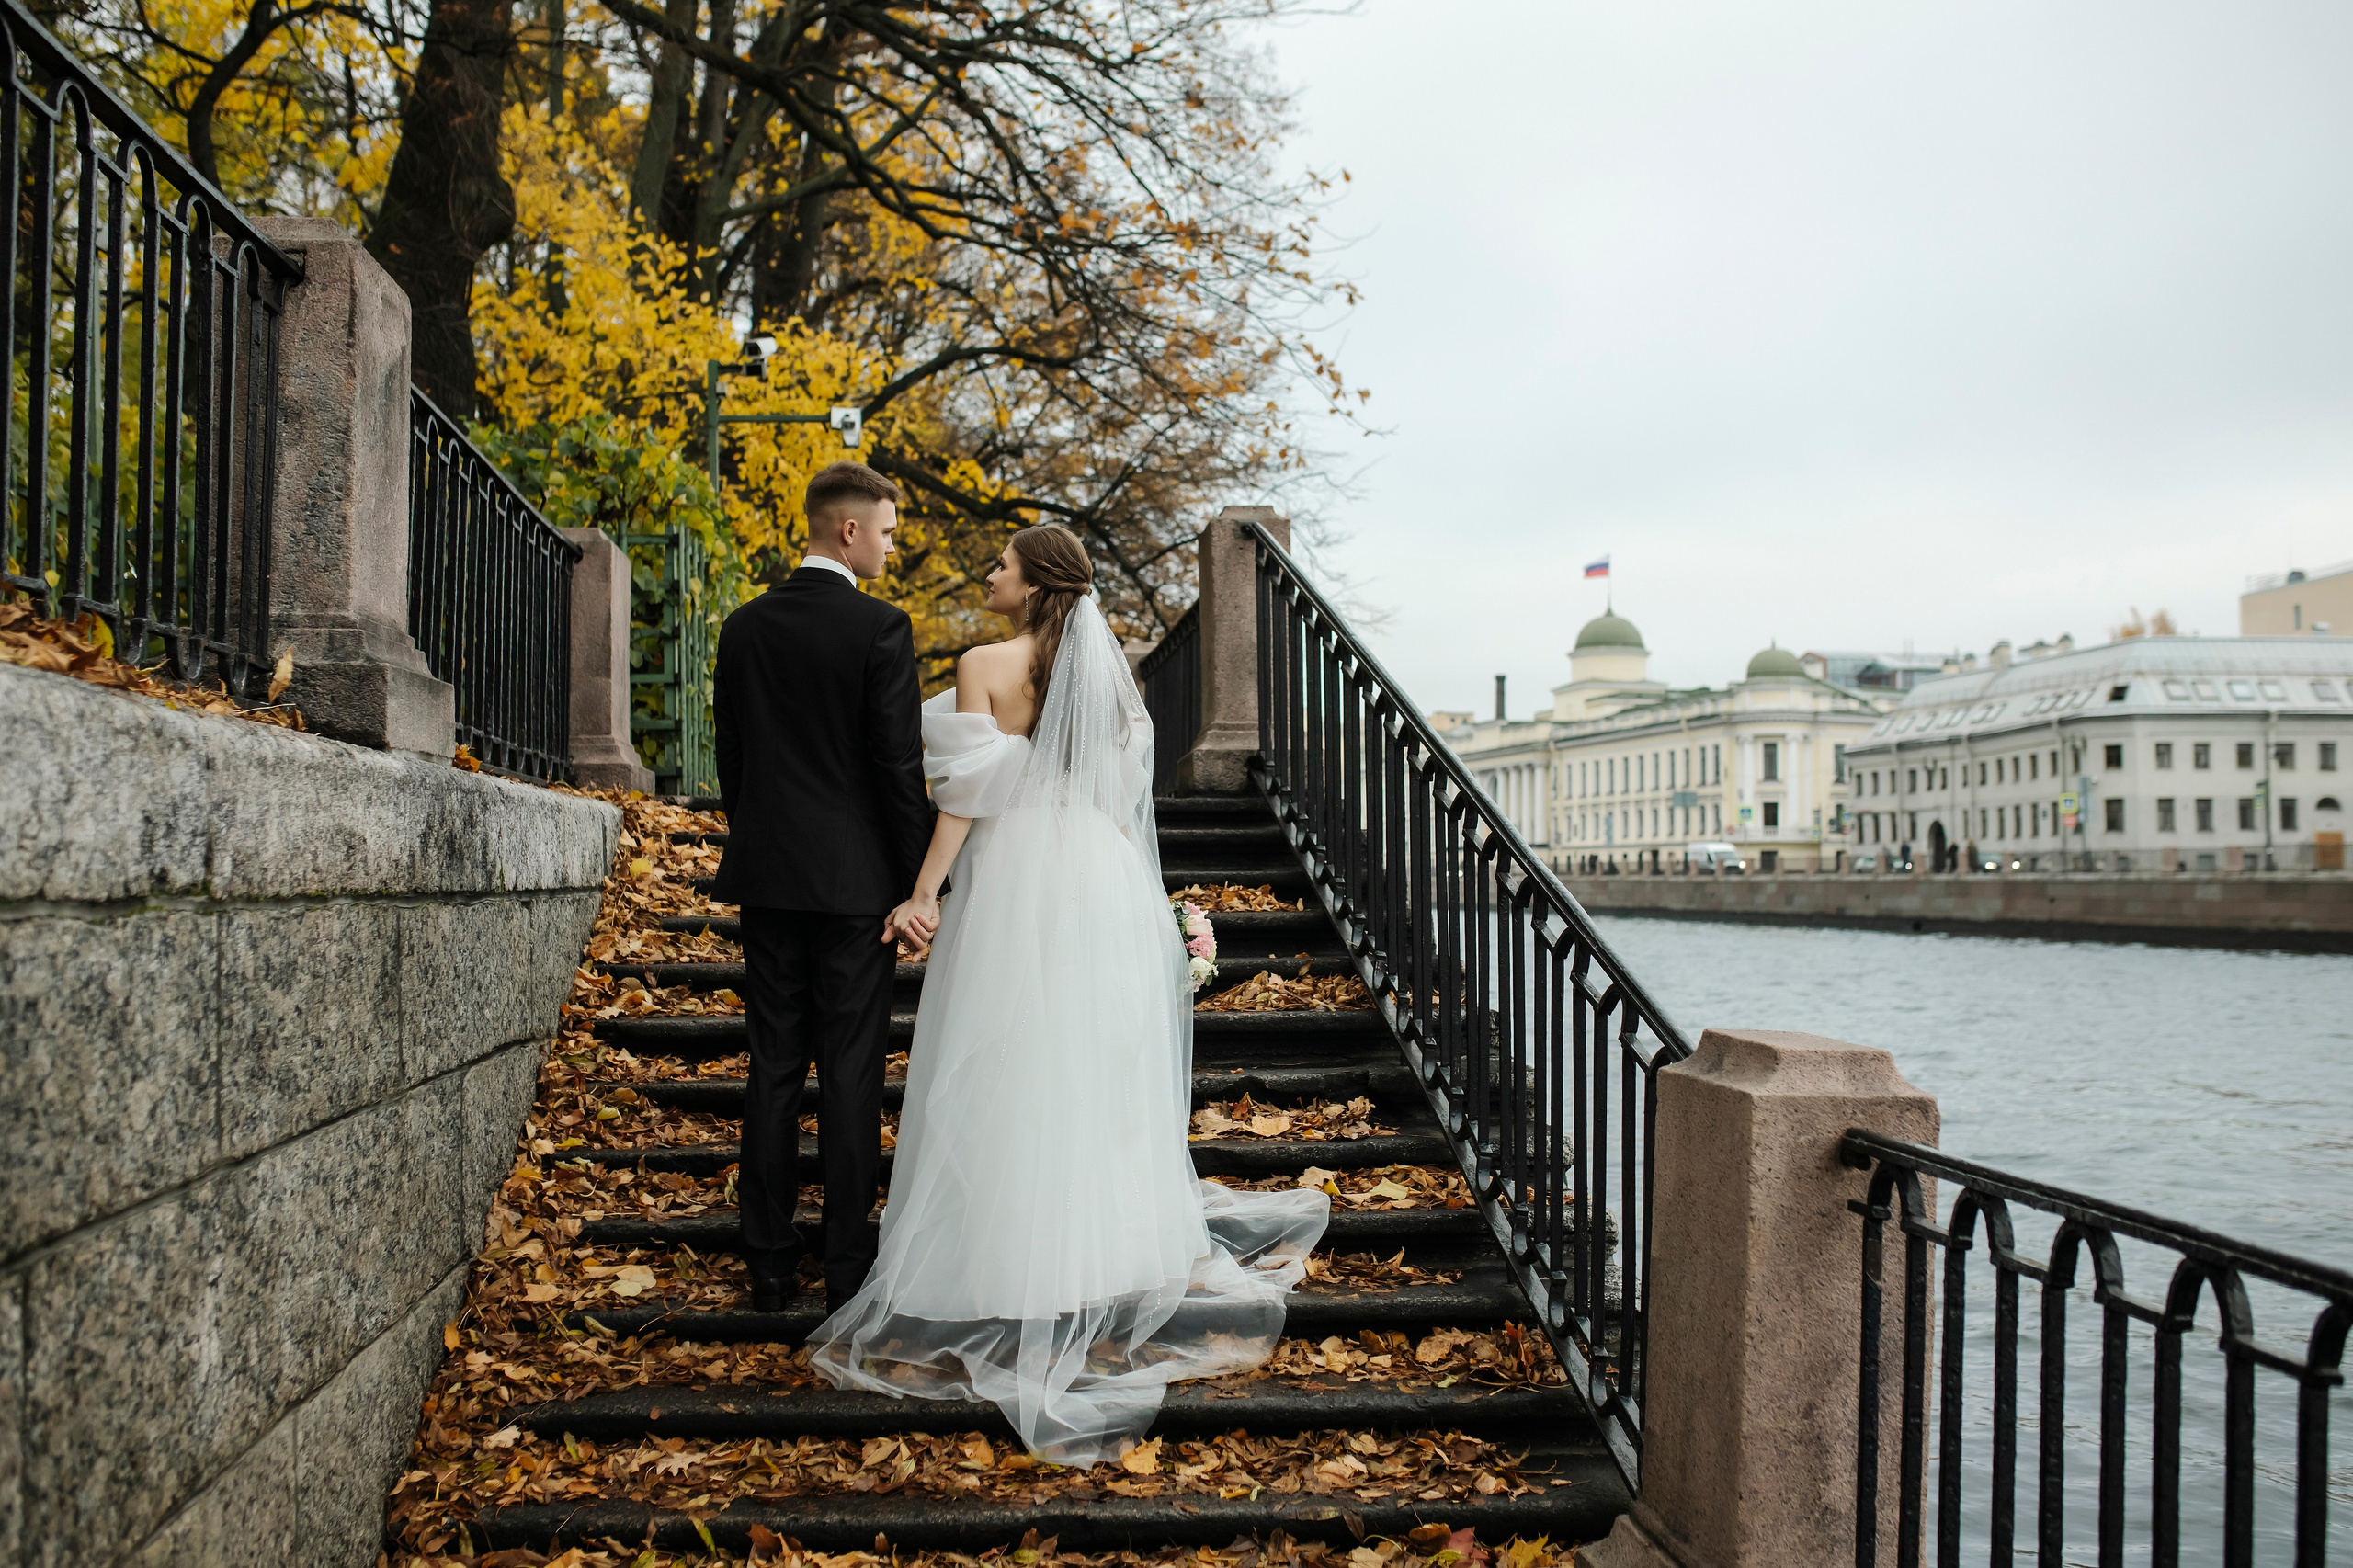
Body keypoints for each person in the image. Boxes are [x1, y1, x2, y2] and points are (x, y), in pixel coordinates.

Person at [802, 523, 1329, 1463]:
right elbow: (1119, 806)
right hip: (1098, 878)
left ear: (1035, 582)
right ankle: (1102, 1256)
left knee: (1004, 1064)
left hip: (1018, 879)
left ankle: (1003, 1264)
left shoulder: (983, 665)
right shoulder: (1110, 682)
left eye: (1002, 563)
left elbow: (965, 799)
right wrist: (1148, 911)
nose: (989, 571)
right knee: (1089, 1071)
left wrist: (923, 892)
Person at [710, 461, 933, 1317]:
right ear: (849, 530)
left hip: (769, 879)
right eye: (886, 532)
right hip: (855, 891)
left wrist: (762, 841)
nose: (890, 547)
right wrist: (920, 883)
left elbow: (733, 757)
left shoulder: (743, 626)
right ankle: (845, 1268)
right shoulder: (880, 628)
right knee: (850, 1075)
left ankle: (768, 1268)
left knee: (772, 1067)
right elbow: (896, 766)